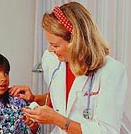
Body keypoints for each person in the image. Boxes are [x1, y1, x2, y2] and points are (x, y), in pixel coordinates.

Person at [9, 2, 127, 134]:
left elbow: (107, 131)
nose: (50, 49)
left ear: (76, 42)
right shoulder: (51, 60)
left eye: (55, 45)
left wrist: (57, 119)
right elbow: (63, 100)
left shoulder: (112, 71)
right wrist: (35, 99)